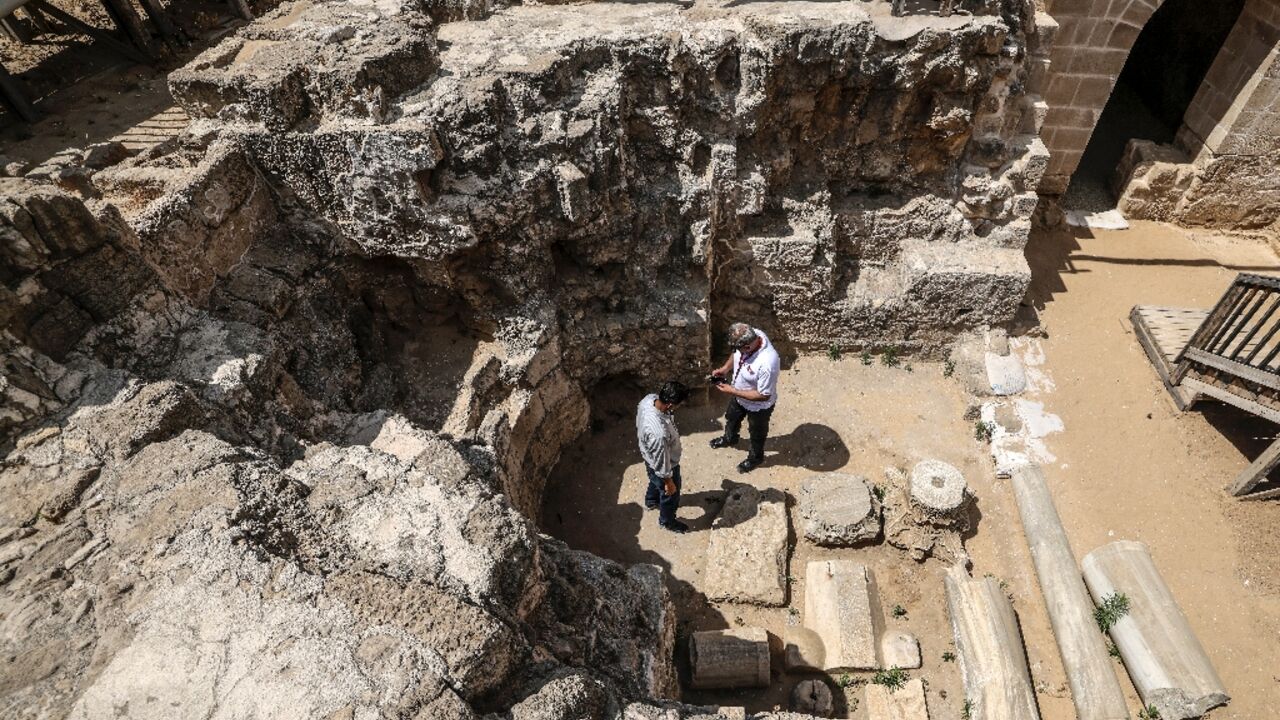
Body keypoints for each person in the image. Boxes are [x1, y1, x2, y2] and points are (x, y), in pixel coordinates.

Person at [709, 323, 780, 473]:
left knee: (756, 433)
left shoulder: (767, 363)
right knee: (731, 418)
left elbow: (763, 395)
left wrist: (732, 391)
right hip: (739, 397)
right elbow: (736, 354)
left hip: (759, 407)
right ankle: (730, 438)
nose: (736, 352)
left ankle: (755, 458)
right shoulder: (754, 334)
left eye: (738, 348)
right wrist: (724, 369)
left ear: (747, 347)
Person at [636, 380, 691, 533]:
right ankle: (667, 521)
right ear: (670, 405)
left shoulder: (648, 400)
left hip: (649, 457)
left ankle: (651, 501)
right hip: (665, 465)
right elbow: (661, 462)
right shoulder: (658, 433)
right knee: (670, 494)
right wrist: (669, 481)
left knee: (654, 479)